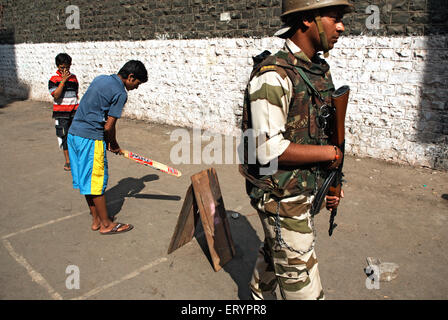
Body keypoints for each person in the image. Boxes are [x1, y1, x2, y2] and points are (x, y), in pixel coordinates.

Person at [239, 0, 353, 300]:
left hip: (301, 188)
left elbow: (321, 132)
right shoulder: (274, 75)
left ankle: (256, 295)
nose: (341, 26)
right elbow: (267, 149)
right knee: (302, 280)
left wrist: (332, 179)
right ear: (306, 21)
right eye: (335, 18)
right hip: (278, 195)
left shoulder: (316, 70)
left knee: (272, 248)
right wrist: (330, 155)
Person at [67, 60, 148, 234]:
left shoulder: (100, 79)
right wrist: (113, 143)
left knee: (87, 181)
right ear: (131, 77)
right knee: (96, 181)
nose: (136, 87)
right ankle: (106, 224)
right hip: (90, 138)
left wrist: (109, 142)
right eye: (137, 83)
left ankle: (96, 220)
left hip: (74, 135)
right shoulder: (120, 93)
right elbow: (109, 126)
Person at [48, 53, 79, 171]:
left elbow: (75, 94)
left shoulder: (74, 78)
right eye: (62, 68)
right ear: (58, 66)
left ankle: (76, 157)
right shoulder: (53, 79)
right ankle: (68, 160)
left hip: (74, 111)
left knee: (75, 135)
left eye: (67, 67)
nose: (65, 70)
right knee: (64, 135)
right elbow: (56, 95)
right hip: (61, 113)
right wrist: (63, 81)